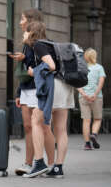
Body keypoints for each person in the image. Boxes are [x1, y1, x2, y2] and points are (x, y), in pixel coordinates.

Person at [23, 22, 75, 178]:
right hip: (65, 86)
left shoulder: (38, 45)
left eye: (25, 32)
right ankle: (58, 168)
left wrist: (34, 72)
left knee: (36, 120)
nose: (23, 35)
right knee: (60, 128)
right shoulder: (51, 44)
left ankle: (39, 163)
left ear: (31, 33)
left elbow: (51, 66)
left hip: (53, 87)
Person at [10, 9, 55, 176]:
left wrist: (25, 59)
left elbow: (40, 68)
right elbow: (24, 71)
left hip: (39, 88)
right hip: (26, 88)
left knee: (44, 126)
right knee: (28, 127)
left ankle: (51, 164)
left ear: (31, 21)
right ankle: (29, 163)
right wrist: (18, 92)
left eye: (22, 19)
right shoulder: (26, 43)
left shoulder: (41, 43)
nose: (20, 22)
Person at [77, 48, 106, 150]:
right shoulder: (99, 68)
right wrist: (95, 94)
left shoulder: (80, 68)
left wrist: (84, 94)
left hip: (83, 98)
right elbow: (101, 82)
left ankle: (87, 144)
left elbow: (77, 83)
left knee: (86, 120)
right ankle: (93, 134)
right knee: (97, 118)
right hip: (96, 98)